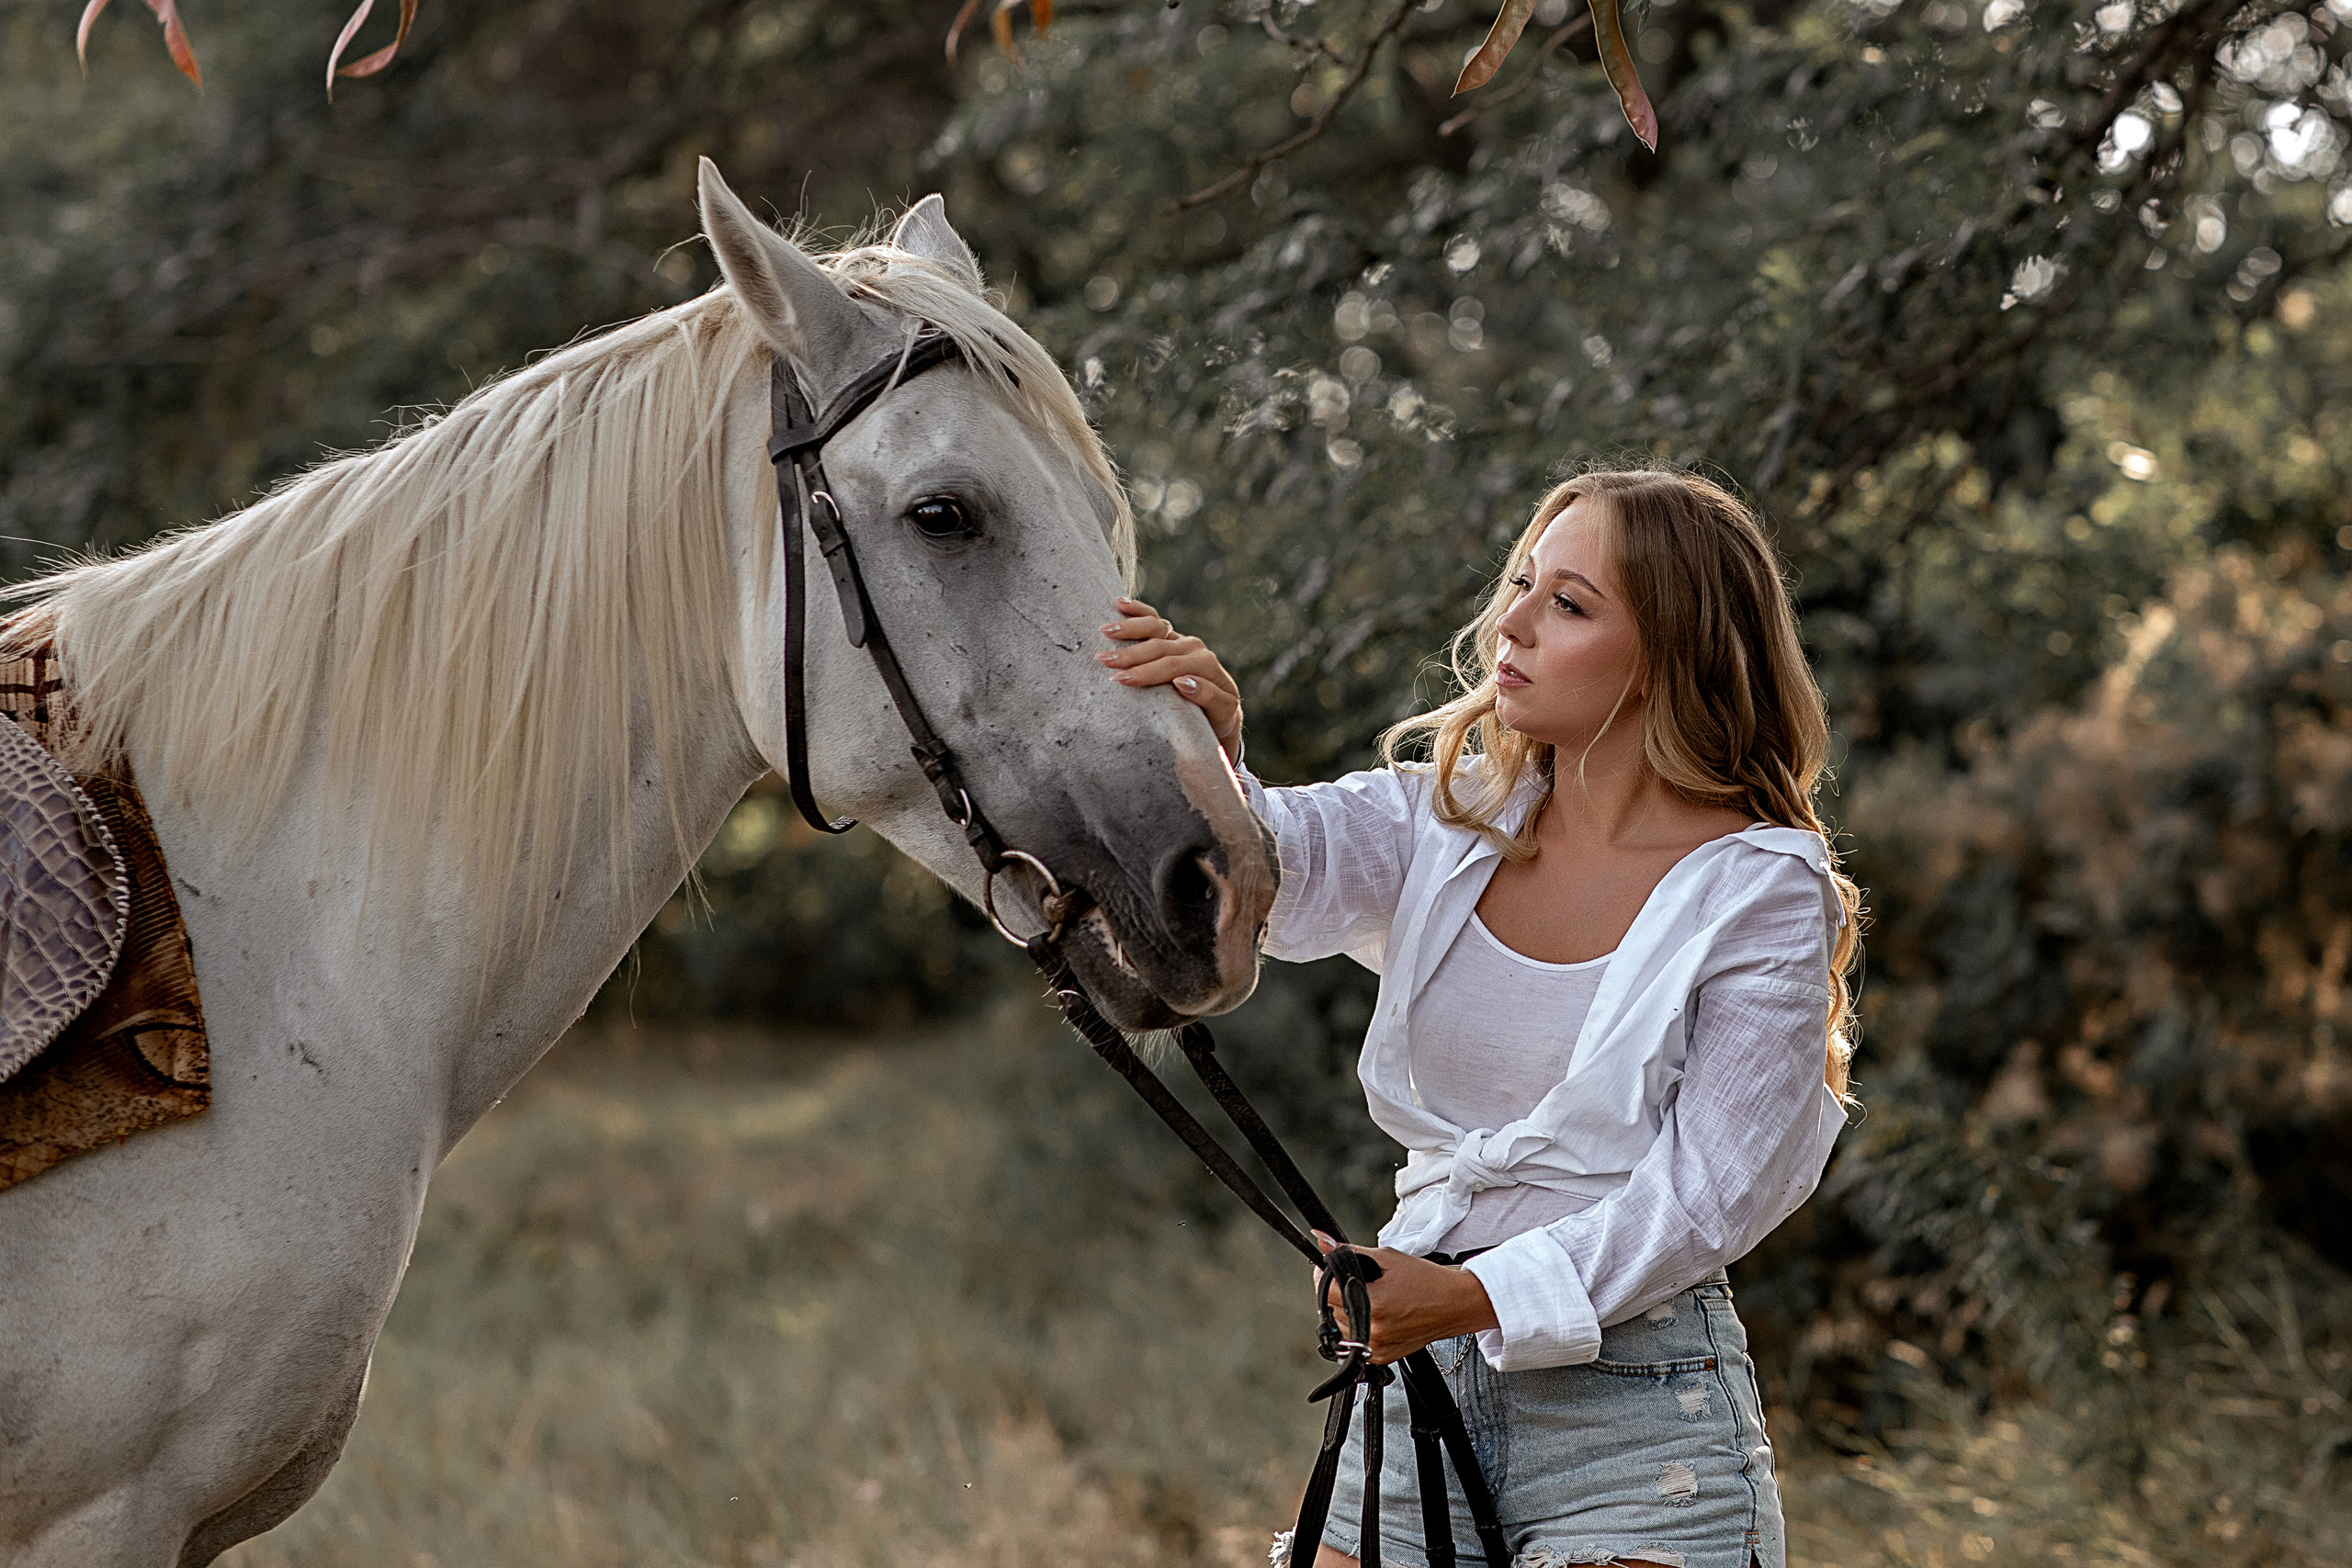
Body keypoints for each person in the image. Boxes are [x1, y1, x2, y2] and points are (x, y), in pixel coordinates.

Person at [1095, 466, 1862, 1568]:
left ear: (1665, 654)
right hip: (1406, 1389)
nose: (1511, 622)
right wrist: (1202, 743)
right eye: (1520, 582)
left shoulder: (1758, 888)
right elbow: (1251, 872)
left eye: (1569, 604)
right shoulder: (1443, 818)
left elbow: (1709, 1196)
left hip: (1636, 1426)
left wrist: (1471, 1295)